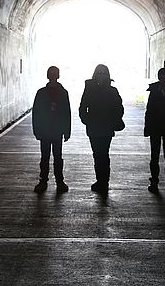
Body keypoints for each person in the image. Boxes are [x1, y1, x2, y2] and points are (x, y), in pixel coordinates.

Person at [79, 64, 124, 193]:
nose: (101, 75)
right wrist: (86, 120)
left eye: (103, 73)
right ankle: (101, 181)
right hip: (94, 126)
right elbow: (83, 106)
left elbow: (119, 108)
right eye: (99, 72)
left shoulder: (112, 90)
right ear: (95, 74)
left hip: (105, 127)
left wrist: (112, 120)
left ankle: (103, 182)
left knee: (103, 154)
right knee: (97, 155)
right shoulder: (89, 88)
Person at [32, 66, 71, 193]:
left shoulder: (47, 92)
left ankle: (55, 181)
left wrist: (67, 129)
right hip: (48, 129)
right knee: (47, 156)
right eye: (52, 73)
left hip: (54, 129)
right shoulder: (44, 92)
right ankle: (48, 181)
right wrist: (36, 129)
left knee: (55, 156)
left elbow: (66, 112)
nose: (53, 76)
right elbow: (36, 112)